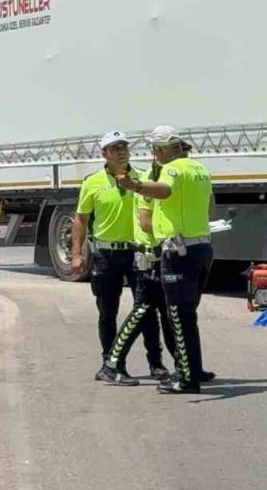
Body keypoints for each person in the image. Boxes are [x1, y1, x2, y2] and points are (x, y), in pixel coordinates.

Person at [116, 126, 215, 394]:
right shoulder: (200, 170)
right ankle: (193, 370)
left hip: (177, 250)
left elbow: (165, 191)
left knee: (177, 316)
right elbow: (210, 207)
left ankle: (185, 378)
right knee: (187, 315)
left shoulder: (171, 169)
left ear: (160, 151)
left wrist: (134, 185)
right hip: (202, 247)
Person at [72, 131, 167, 385]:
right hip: (106, 254)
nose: (121, 151)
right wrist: (76, 254)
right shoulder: (92, 182)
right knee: (107, 312)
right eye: (114, 148)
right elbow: (81, 220)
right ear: (104, 154)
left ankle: (156, 363)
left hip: (137, 252)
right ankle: (111, 363)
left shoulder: (142, 179)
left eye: (124, 146)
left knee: (146, 309)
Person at [97, 161, 179, 387]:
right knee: (139, 311)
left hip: (157, 256)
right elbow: (145, 223)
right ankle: (112, 363)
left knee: (161, 313)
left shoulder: (146, 182)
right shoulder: (143, 186)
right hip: (145, 258)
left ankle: (171, 365)